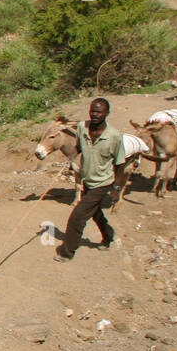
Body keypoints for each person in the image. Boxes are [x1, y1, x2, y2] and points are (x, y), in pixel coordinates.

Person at [54, 97, 127, 262]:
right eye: (92, 111)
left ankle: (67, 252)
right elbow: (79, 146)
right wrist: (70, 157)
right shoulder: (82, 127)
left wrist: (117, 187)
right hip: (87, 179)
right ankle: (109, 236)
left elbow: (120, 164)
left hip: (103, 183)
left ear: (107, 113)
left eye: (99, 112)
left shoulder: (114, 136)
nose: (94, 115)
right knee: (94, 212)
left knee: (77, 217)